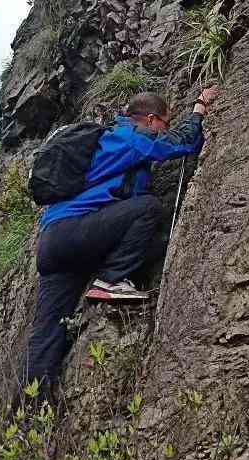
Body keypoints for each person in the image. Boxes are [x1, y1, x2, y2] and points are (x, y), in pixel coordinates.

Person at [23, 87, 217, 399]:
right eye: (163, 124)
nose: (162, 130)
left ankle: (29, 415)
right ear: (151, 119)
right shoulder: (128, 137)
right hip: (74, 232)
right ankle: (111, 280)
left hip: (53, 245)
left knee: (46, 334)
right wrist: (200, 107)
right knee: (149, 208)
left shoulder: (106, 142)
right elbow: (182, 143)